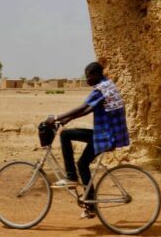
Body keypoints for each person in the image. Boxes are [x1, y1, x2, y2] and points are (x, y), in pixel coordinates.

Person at [45, 61, 129, 219]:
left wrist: (56, 117)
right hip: (111, 134)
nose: (87, 79)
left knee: (65, 135)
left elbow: (83, 107)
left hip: (105, 136)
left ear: (96, 75)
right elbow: (90, 109)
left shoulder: (100, 89)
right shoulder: (108, 85)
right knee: (83, 164)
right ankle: (90, 205)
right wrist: (66, 120)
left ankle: (71, 176)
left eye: (88, 76)